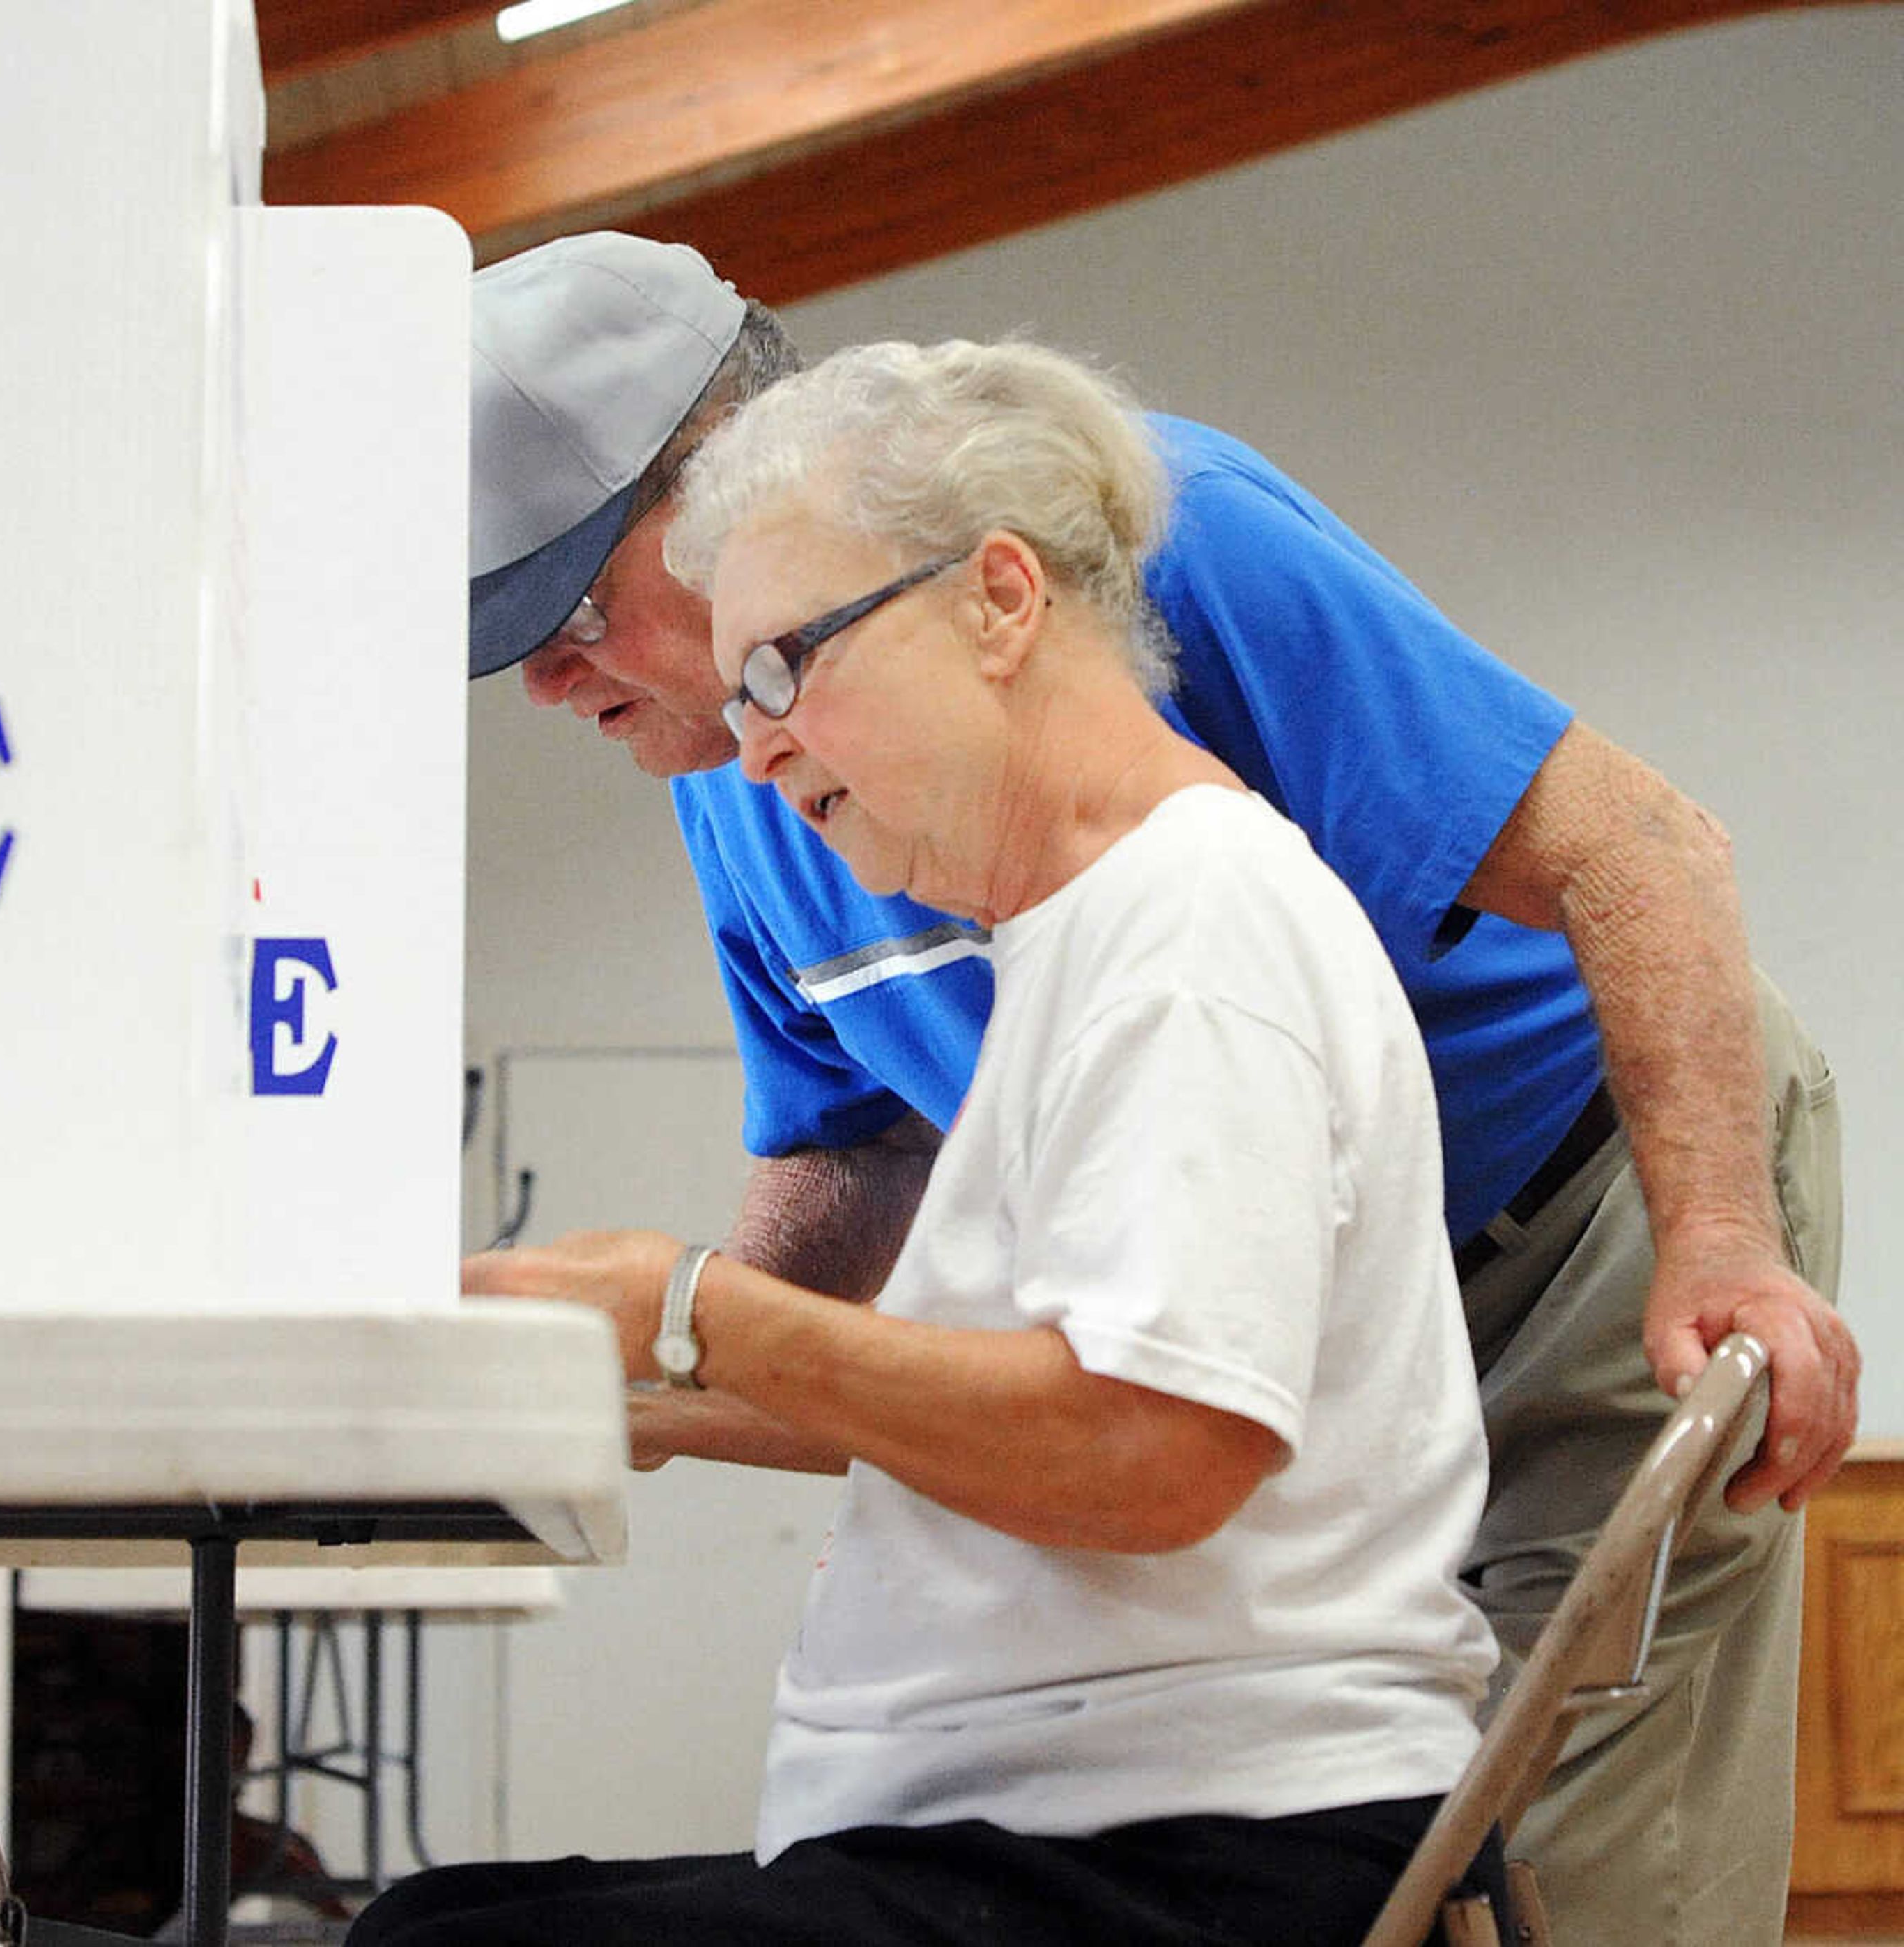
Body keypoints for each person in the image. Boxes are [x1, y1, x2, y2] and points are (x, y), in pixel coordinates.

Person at [463, 231, 1855, 1946]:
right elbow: (855, 1158)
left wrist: (1722, 1233)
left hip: (1574, 1200)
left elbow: (1635, 845)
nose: (543, 684)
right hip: (1260, 1306)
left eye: (577, 611)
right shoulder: (750, 768)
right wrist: (605, 1372)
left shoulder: (1140, 546)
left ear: (726, 488)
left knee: (1566, 1853)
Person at [361, 334, 1503, 1947]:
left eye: (786, 669)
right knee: (430, 1916)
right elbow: (1016, 1417)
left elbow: (1150, 1449)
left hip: (1175, 1854)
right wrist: (627, 1371)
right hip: (1080, 1824)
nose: (754, 749)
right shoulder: (1082, 934)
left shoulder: (1189, 938)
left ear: (1002, 601)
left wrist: (694, 1306)